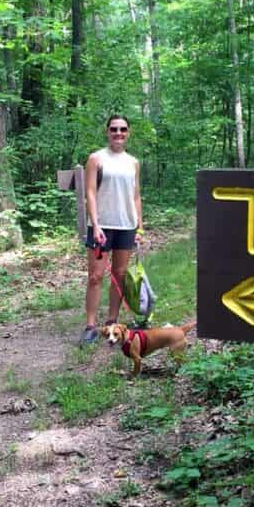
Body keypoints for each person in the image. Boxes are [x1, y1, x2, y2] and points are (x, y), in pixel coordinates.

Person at [80, 115, 142, 345]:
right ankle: (90, 325)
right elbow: (91, 193)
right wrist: (95, 224)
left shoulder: (133, 162)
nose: (118, 133)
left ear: (129, 132)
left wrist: (140, 227)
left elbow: (136, 196)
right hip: (102, 225)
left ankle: (112, 322)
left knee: (120, 275)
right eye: (114, 129)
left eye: (123, 129)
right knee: (95, 276)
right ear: (107, 131)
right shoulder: (96, 159)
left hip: (126, 225)